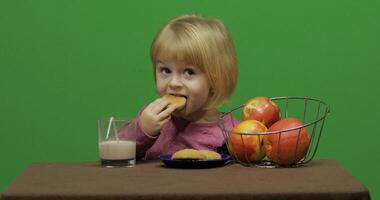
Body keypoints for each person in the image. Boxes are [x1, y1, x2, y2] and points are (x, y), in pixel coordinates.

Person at [120, 14, 239, 160]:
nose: (174, 83)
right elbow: (114, 152)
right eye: (166, 70)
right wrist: (143, 129)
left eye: (189, 72)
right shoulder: (153, 118)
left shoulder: (233, 132)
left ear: (216, 79)